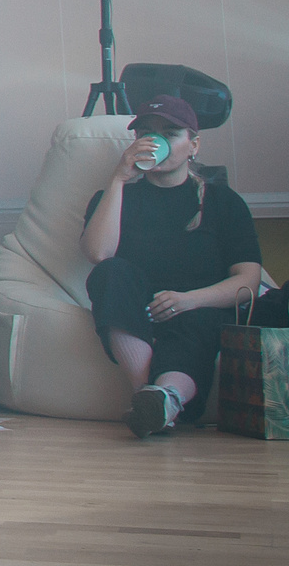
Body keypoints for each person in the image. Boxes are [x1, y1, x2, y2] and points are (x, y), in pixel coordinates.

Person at [81, 94, 263, 439]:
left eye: (170, 133)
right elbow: (98, 254)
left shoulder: (223, 202)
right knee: (109, 273)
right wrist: (118, 179)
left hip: (199, 308)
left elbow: (248, 281)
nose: (155, 141)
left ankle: (165, 398)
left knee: (198, 321)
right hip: (138, 312)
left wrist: (189, 300)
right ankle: (151, 400)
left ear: (193, 145)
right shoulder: (115, 198)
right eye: (146, 133)